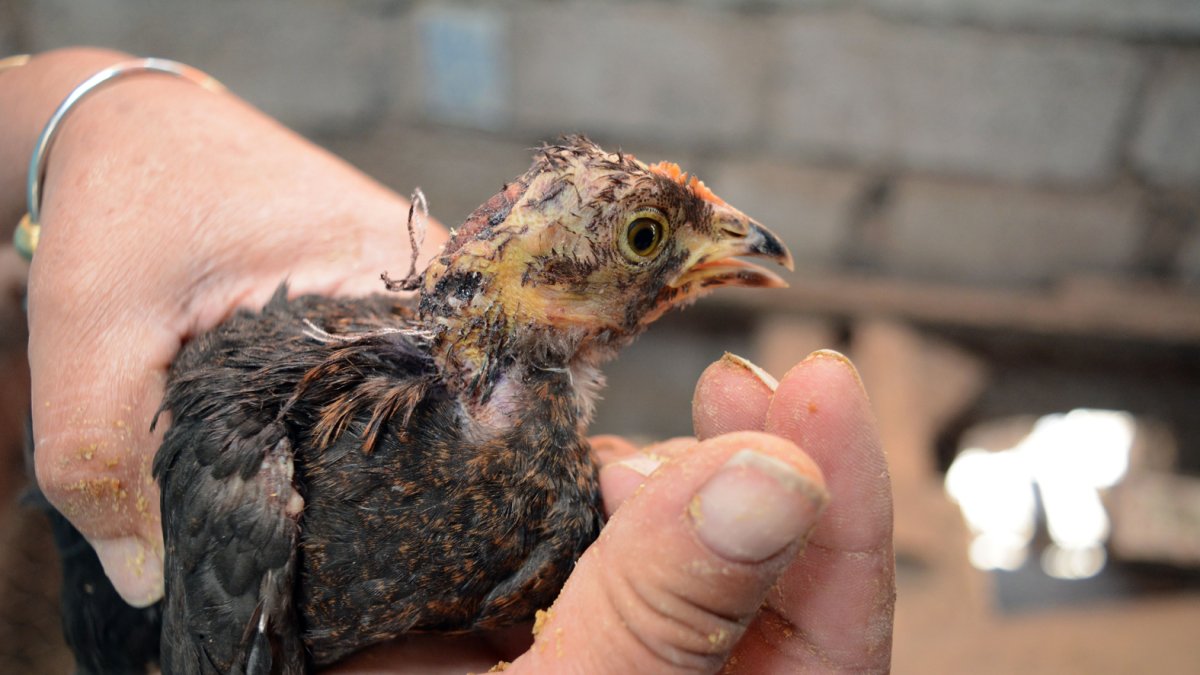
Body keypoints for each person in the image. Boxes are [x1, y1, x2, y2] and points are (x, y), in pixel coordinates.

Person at [0, 48, 894, 673]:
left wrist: (80, 102)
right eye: (645, 237)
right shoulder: (256, 465)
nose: (733, 241)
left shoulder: (554, 498)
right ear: (544, 281)